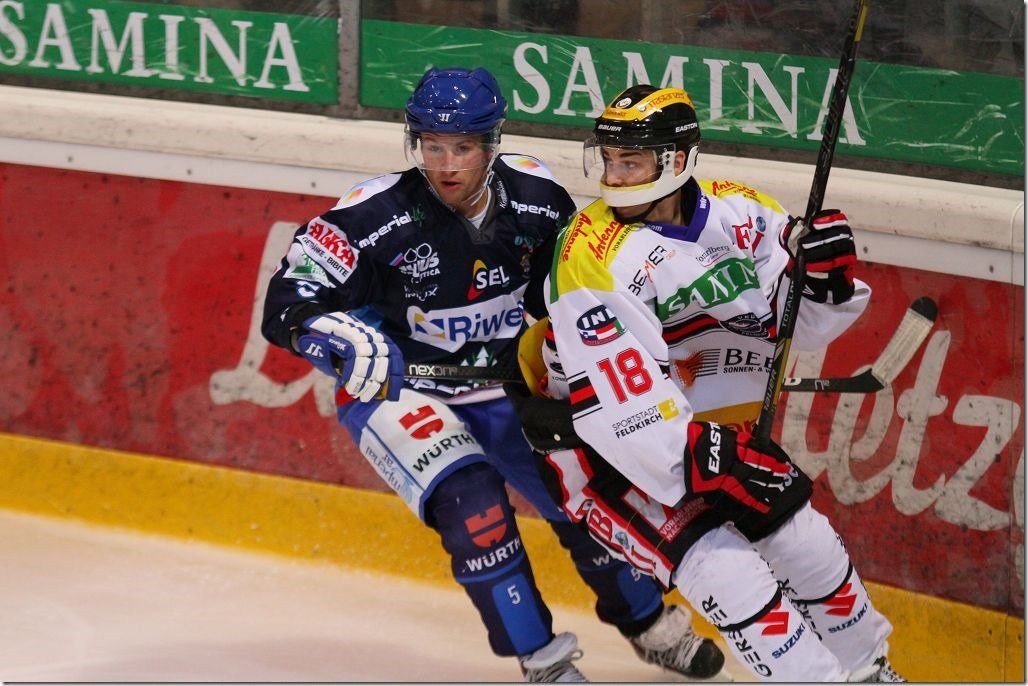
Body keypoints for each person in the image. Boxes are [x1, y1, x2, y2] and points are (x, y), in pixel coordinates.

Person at [260, 67, 724, 682]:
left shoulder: (538, 199)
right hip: (401, 389)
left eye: (463, 147)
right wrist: (325, 332)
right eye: (432, 146)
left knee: (582, 493)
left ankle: (646, 622)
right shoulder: (373, 214)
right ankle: (542, 660)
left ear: (492, 144)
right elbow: (288, 299)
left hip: (506, 384)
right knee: (474, 505)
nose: (447, 165)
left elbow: (573, 294)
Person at [507, 84, 906, 682]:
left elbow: (794, 323)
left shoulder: (741, 212)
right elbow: (626, 411)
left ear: (677, 160)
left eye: (631, 162)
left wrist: (823, 280)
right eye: (609, 160)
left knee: (807, 545)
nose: (613, 178)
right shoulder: (590, 253)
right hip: (604, 457)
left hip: (706, 434)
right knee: (730, 577)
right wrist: (709, 452)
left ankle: (869, 670)